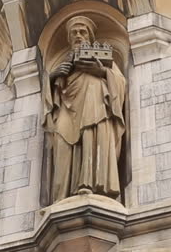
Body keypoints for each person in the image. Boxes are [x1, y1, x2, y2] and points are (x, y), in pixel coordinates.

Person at [43, 16, 126, 204]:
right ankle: (62, 197)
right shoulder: (64, 61)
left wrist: (103, 72)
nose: (79, 35)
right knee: (61, 139)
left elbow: (120, 85)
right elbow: (50, 101)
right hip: (67, 107)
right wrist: (53, 76)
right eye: (74, 32)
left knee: (91, 135)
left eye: (83, 32)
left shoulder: (103, 58)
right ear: (69, 38)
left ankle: (93, 185)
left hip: (94, 104)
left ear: (90, 36)